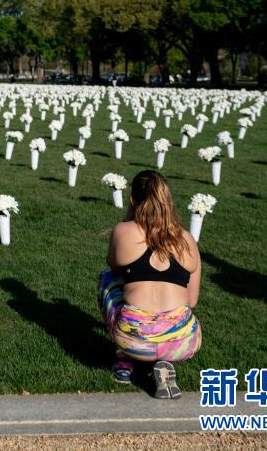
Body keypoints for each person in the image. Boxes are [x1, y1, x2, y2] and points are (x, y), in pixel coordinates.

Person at [98, 170, 202, 399]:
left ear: (132, 200)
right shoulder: (187, 240)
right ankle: (165, 361)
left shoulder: (123, 231)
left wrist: (129, 215)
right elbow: (192, 300)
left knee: (107, 278)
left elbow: (114, 267)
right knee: (177, 312)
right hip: (184, 340)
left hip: (133, 338)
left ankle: (124, 361)